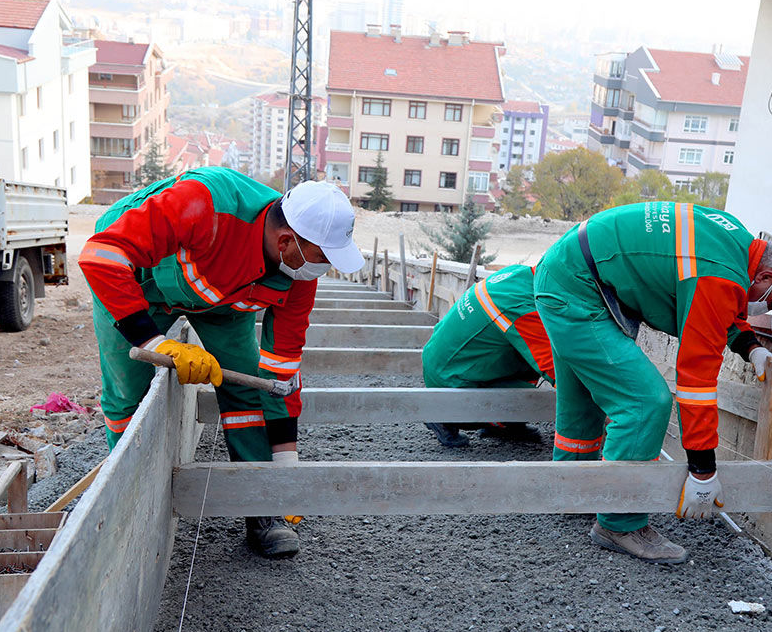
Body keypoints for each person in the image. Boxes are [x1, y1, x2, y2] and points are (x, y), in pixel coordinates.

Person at [78, 168, 363, 558]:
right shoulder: (203, 204)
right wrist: (157, 341)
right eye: (322, 257)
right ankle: (132, 505)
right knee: (128, 396)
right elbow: (99, 256)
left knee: (246, 386)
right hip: (138, 282)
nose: (323, 268)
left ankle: (260, 509)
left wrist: (285, 471)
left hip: (224, 299)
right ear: (286, 241)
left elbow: (281, 373)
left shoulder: (299, 270)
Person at [532, 201, 772, 564]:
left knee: (582, 399)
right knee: (644, 402)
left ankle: (573, 492)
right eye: (770, 301)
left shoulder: (734, 239)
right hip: (577, 289)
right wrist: (703, 471)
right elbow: (696, 378)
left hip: (567, 273)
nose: (760, 307)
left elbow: (716, 306)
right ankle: (620, 522)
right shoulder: (720, 276)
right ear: (764, 278)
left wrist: (751, 348)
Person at [421, 265, 555, 447]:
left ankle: (503, 424)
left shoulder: (519, 274)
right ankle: (445, 416)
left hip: (440, 362)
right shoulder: (520, 308)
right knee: (536, 398)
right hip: (450, 382)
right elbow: (555, 370)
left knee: (528, 352)